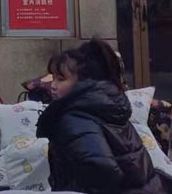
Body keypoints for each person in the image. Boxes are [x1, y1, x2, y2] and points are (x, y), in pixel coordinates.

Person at [36, 38, 163, 193]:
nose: (53, 86)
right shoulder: (105, 108)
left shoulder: (75, 118)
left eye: (61, 79)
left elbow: (102, 169)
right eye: (53, 78)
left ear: (82, 82)